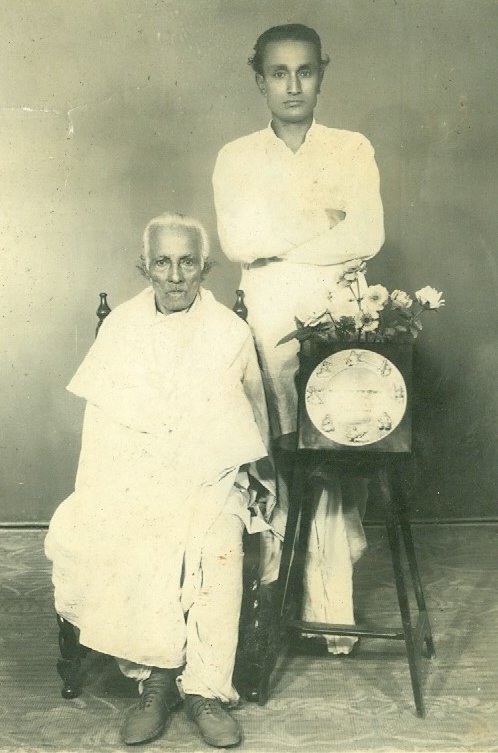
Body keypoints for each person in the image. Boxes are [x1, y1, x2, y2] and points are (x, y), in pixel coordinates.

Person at [45, 212, 275, 747]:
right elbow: (102, 431)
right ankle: (157, 680)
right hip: (136, 476)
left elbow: (249, 421)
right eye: (163, 263)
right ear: (144, 267)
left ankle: (205, 690)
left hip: (214, 476)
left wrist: (235, 480)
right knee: (137, 531)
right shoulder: (121, 329)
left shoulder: (229, 332)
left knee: (219, 545)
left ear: (205, 269)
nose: (175, 276)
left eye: (187, 262)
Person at [213, 24, 385, 654]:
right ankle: (273, 601)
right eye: (279, 72)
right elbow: (238, 241)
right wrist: (321, 221)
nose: (293, 85)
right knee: (277, 454)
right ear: (259, 80)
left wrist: (279, 241)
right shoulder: (237, 157)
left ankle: (328, 611)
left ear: (321, 75)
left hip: (337, 316)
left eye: (305, 71)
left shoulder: (351, 148)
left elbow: (366, 235)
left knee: (331, 457)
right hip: (266, 322)